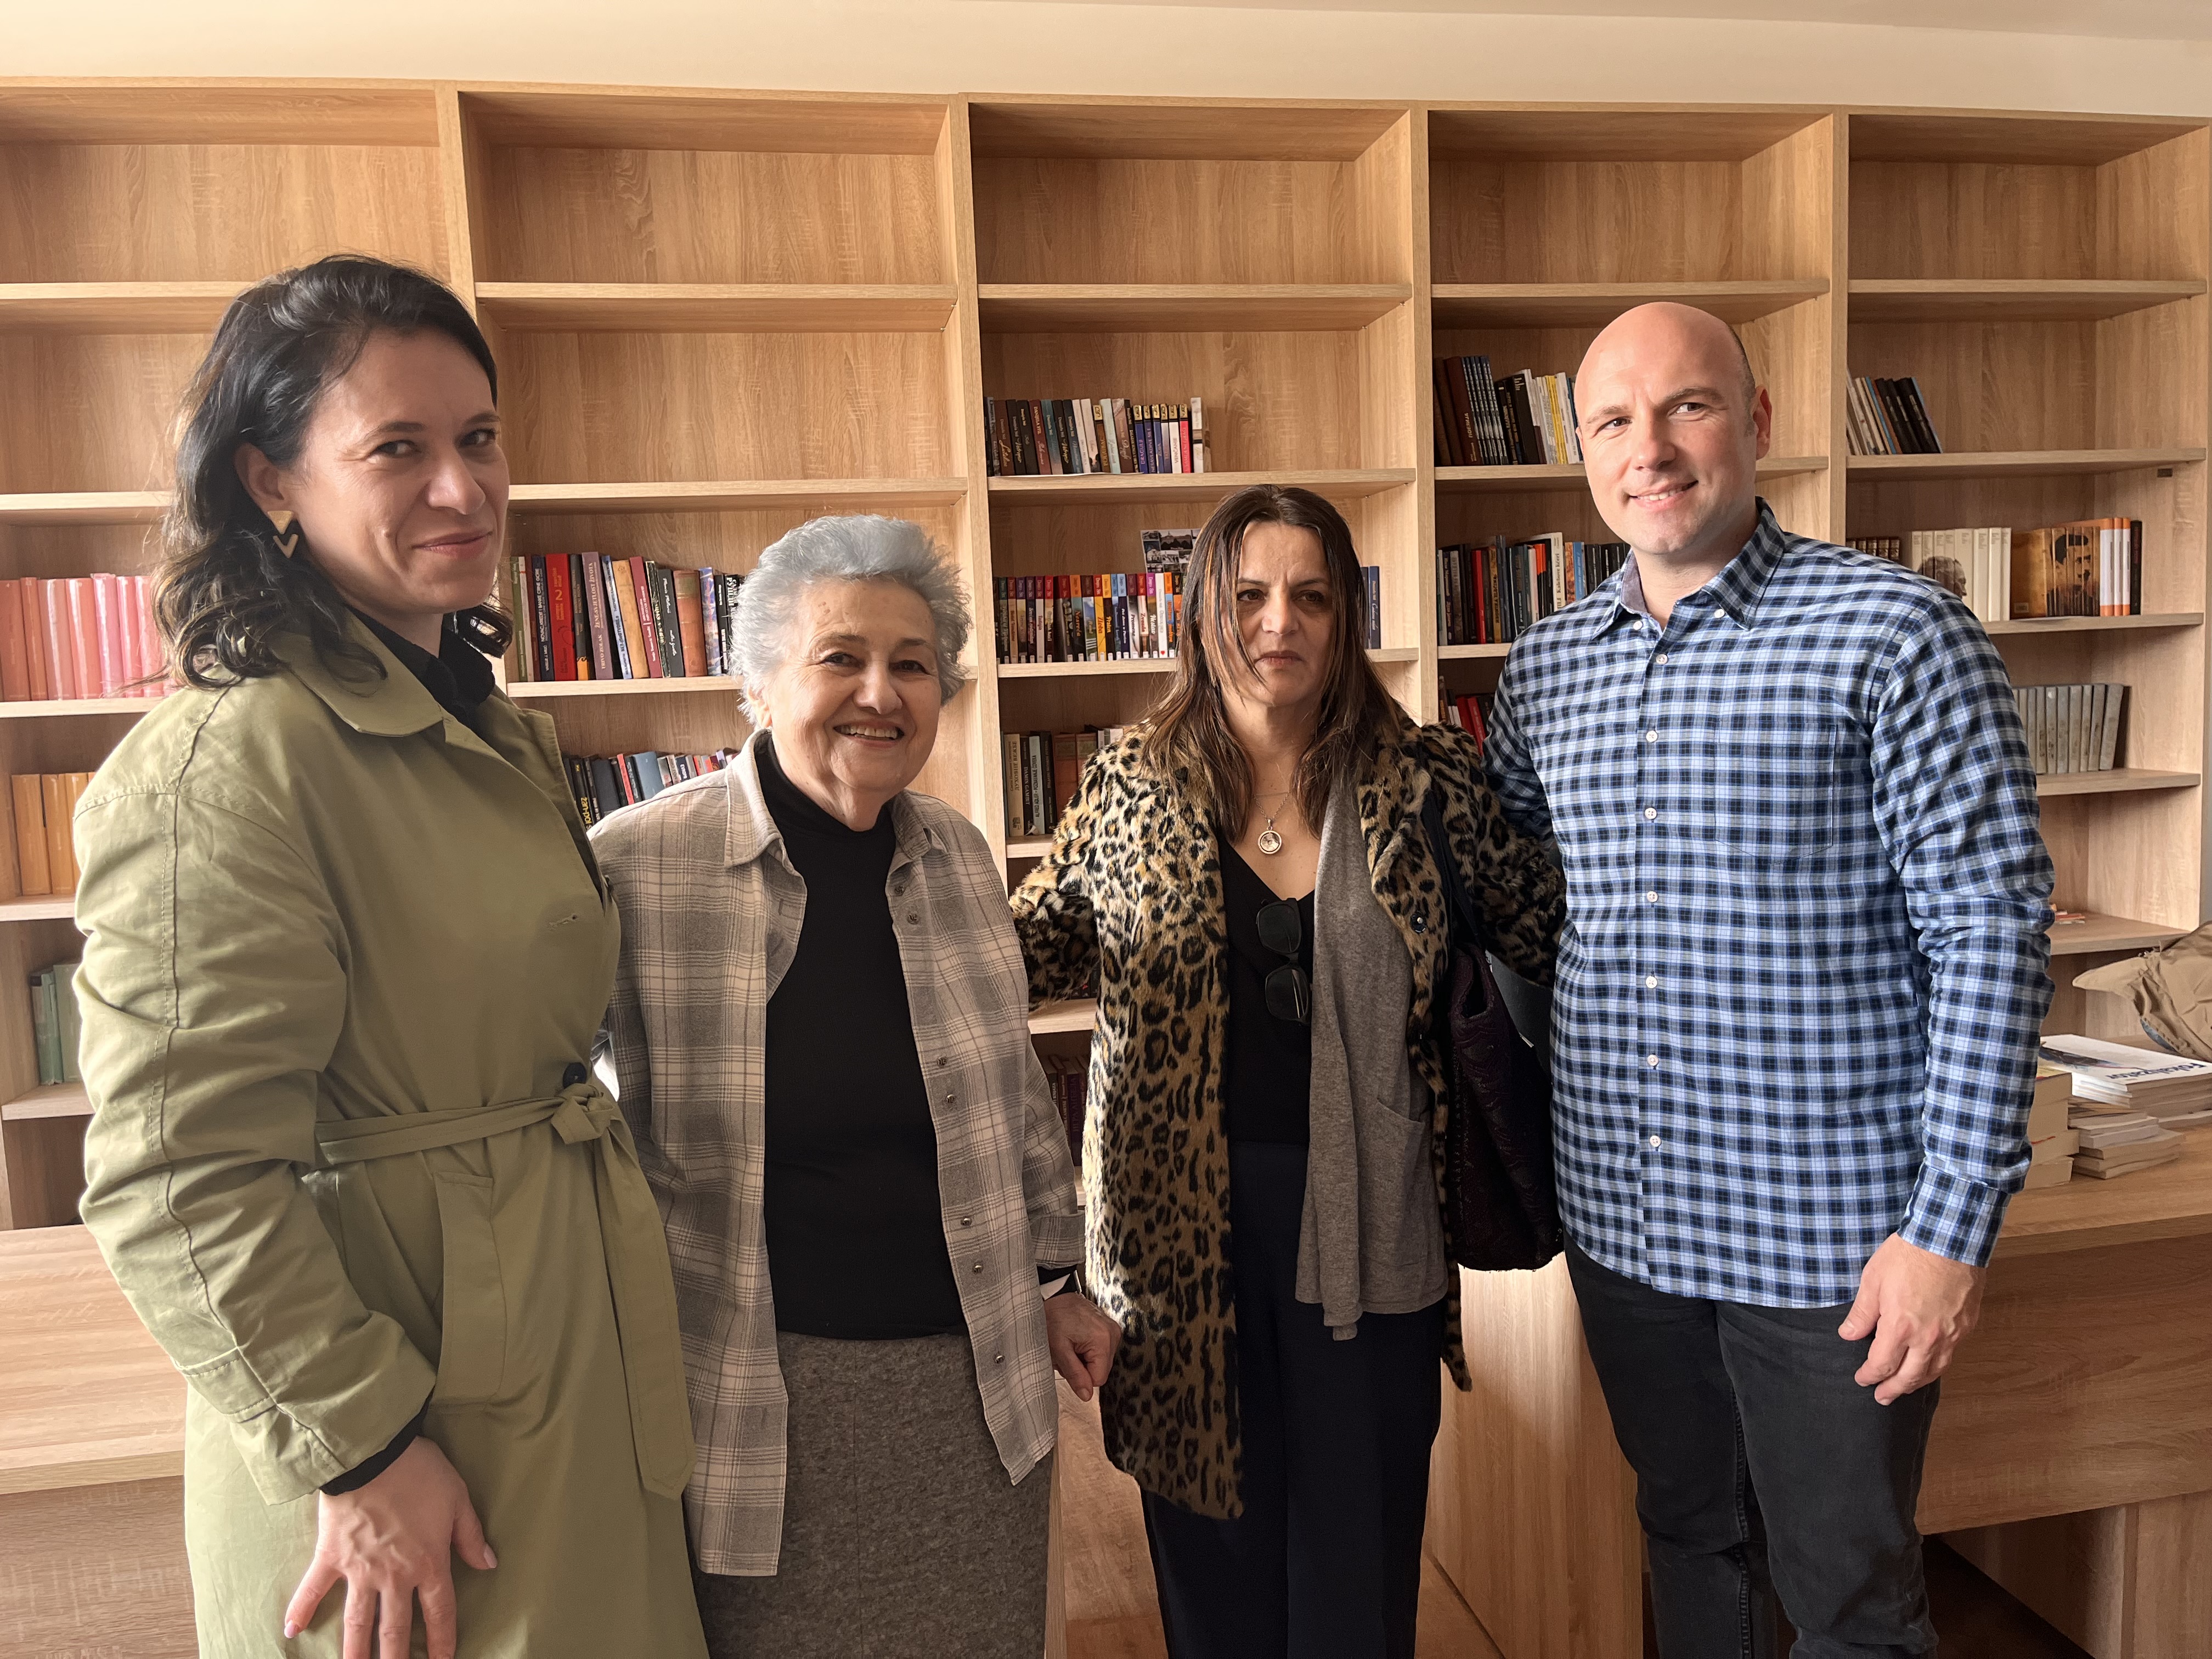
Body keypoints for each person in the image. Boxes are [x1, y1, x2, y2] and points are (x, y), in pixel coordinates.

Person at [71, 256, 706, 1659]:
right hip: (401, 1418)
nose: (464, 490)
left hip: (560, 1365)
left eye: (478, 439)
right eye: (397, 450)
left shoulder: (491, 726)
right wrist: (355, 1451)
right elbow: (172, 1175)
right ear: (272, 482)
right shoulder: (222, 769)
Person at [1483, 302, 2055, 1657]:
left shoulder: (1897, 633)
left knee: (1851, 1599)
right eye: (1615, 421)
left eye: (1689, 405)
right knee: (1692, 1550)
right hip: (1629, 1230)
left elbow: (1993, 928)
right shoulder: (1545, 670)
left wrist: (1950, 1229)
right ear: (1583, 452)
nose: (1653, 448)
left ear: (1760, 422)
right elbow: (1509, 903)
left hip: (1838, 1247)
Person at [1012, 484, 1566, 1658]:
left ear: (1346, 616)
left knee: (1356, 1554)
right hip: (1177, 1244)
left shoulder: (1426, 780)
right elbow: (1024, 951)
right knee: (1210, 1552)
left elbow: (1554, 927)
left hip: (1371, 1226)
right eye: (1250, 594)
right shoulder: (1131, 783)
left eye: (1311, 596)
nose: (1280, 623)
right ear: (1203, 610)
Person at [591, 514, 1121, 1659]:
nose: (881, 692)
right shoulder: (635, 865)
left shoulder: (961, 857)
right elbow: (544, 1105)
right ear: (764, 679)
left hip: (975, 1388)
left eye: (914, 664)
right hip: (759, 1402)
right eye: (842, 657)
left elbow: (1013, 1102)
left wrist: (1056, 1281)